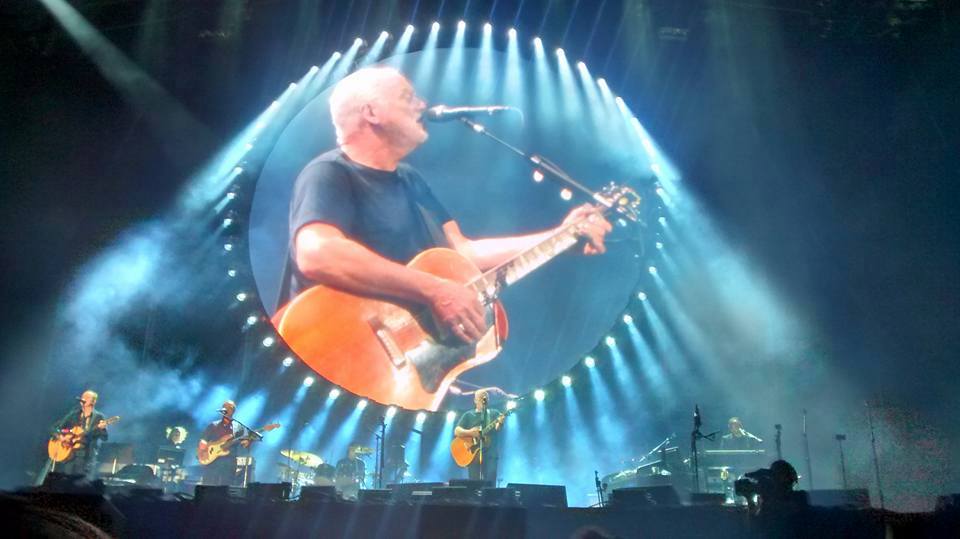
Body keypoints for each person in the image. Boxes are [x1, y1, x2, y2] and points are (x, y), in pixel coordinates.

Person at [277, 65, 612, 347]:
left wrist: (560, 237)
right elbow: (318, 254)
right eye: (408, 97)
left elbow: (463, 253)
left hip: (397, 364)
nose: (422, 104)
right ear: (371, 113)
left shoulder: (410, 179)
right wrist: (434, 290)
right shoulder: (329, 172)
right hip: (331, 348)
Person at [49, 390, 109, 479]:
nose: (83, 398)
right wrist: (61, 437)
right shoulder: (74, 414)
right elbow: (53, 428)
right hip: (70, 455)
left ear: (94, 401)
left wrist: (102, 428)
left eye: (87, 397)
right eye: (83, 396)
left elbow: (105, 438)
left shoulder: (98, 417)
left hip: (87, 458)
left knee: (82, 483)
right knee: (66, 481)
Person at [454, 389, 503, 484]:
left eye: (486, 398)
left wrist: (500, 423)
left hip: (490, 455)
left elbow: (497, 428)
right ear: (475, 400)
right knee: (474, 484)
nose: (483, 399)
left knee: (490, 482)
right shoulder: (468, 415)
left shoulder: (494, 413)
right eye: (481, 398)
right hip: (473, 455)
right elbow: (457, 431)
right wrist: (470, 432)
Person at [197, 400, 246, 486]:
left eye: (230, 408)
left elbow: (242, 443)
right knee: (208, 485)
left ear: (233, 411)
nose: (226, 409)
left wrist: (247, 441)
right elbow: (203, 442)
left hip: (229, 462)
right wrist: (202, 454)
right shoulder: (213, 425)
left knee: (225, 487)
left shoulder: (239, 427)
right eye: (225, 407)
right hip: (212, 462)